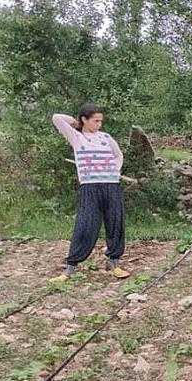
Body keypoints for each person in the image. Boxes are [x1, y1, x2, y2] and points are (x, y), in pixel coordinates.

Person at [50, 104, 129, 281]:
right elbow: (56, 118)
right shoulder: (77, 137)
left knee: (115, 224)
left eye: (101, 121)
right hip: (90, 187)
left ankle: (114, 262)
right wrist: (75, 121)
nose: (99, 124)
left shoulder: (106, 137)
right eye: (95, 121)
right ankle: (70, 269)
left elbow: (118, 155)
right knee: (85, 225)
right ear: (85, 120)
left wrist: (115, 171)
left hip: (111, 186)